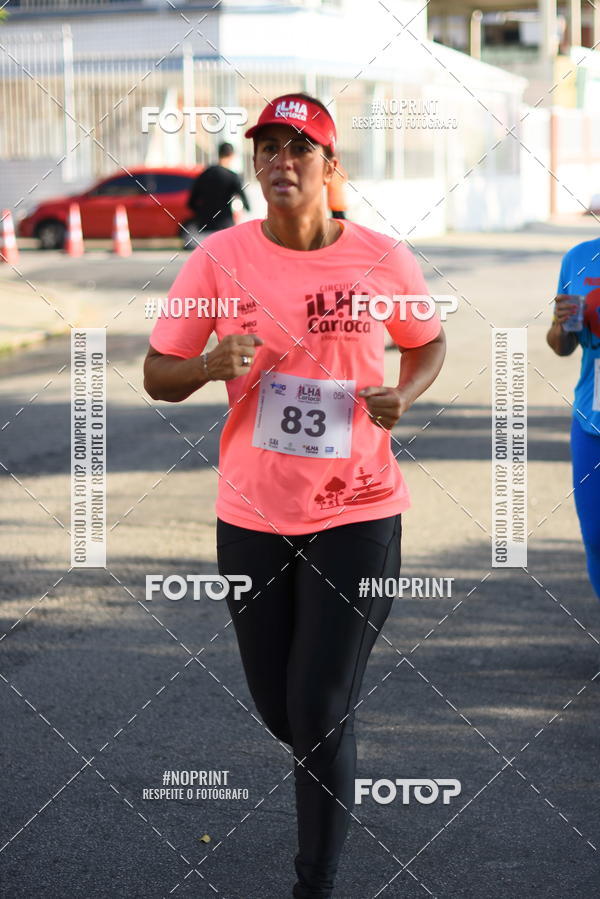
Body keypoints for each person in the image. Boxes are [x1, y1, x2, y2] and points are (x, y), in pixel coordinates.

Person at [144, 92, 446, 898]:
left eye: (299, 148)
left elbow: (427, 341)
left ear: (329, 165)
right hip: (251, 515)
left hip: (361, 506)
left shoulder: (382, 258)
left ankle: (314, 884)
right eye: (267, 149)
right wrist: (209, 365)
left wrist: (405, 396)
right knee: (284, 712)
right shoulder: (217, 259)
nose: (282, 162)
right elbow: (156, 374)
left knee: (314, 708)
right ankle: (331, 735)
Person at [547, 236, 600, 599]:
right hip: (591, 418)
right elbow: (561, 345)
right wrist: (562, 324)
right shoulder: (579, 257)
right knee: (596, 536)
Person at [185, 141, 250, 248]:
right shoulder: (232, 176)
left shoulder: (204, 175)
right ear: (231, 155)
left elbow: (191, 203)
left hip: (205, 227)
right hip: (226, 226)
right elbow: (245, 200)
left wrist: (201, 214)